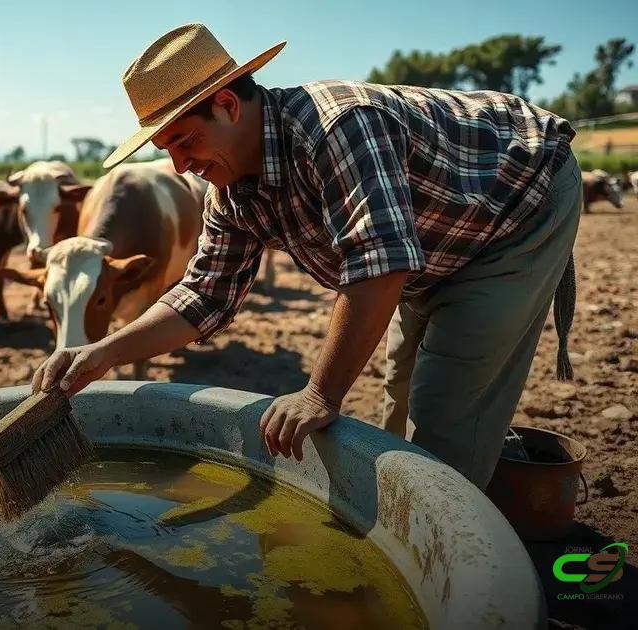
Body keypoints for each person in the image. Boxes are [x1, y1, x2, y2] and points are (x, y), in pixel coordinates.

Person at [31, 23, 579, 489]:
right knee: (400, 384)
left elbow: (381, 262)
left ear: (227, 104)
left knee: (445, 405)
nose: (178, 166)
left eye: (185, 141)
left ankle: (455, 561)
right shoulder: (230, 192)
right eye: (166, 150)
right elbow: (204, 294)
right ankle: (404, 512)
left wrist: (320, 392)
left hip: (513, 208)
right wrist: (105, 350)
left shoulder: (339, 127)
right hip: (433, 239)